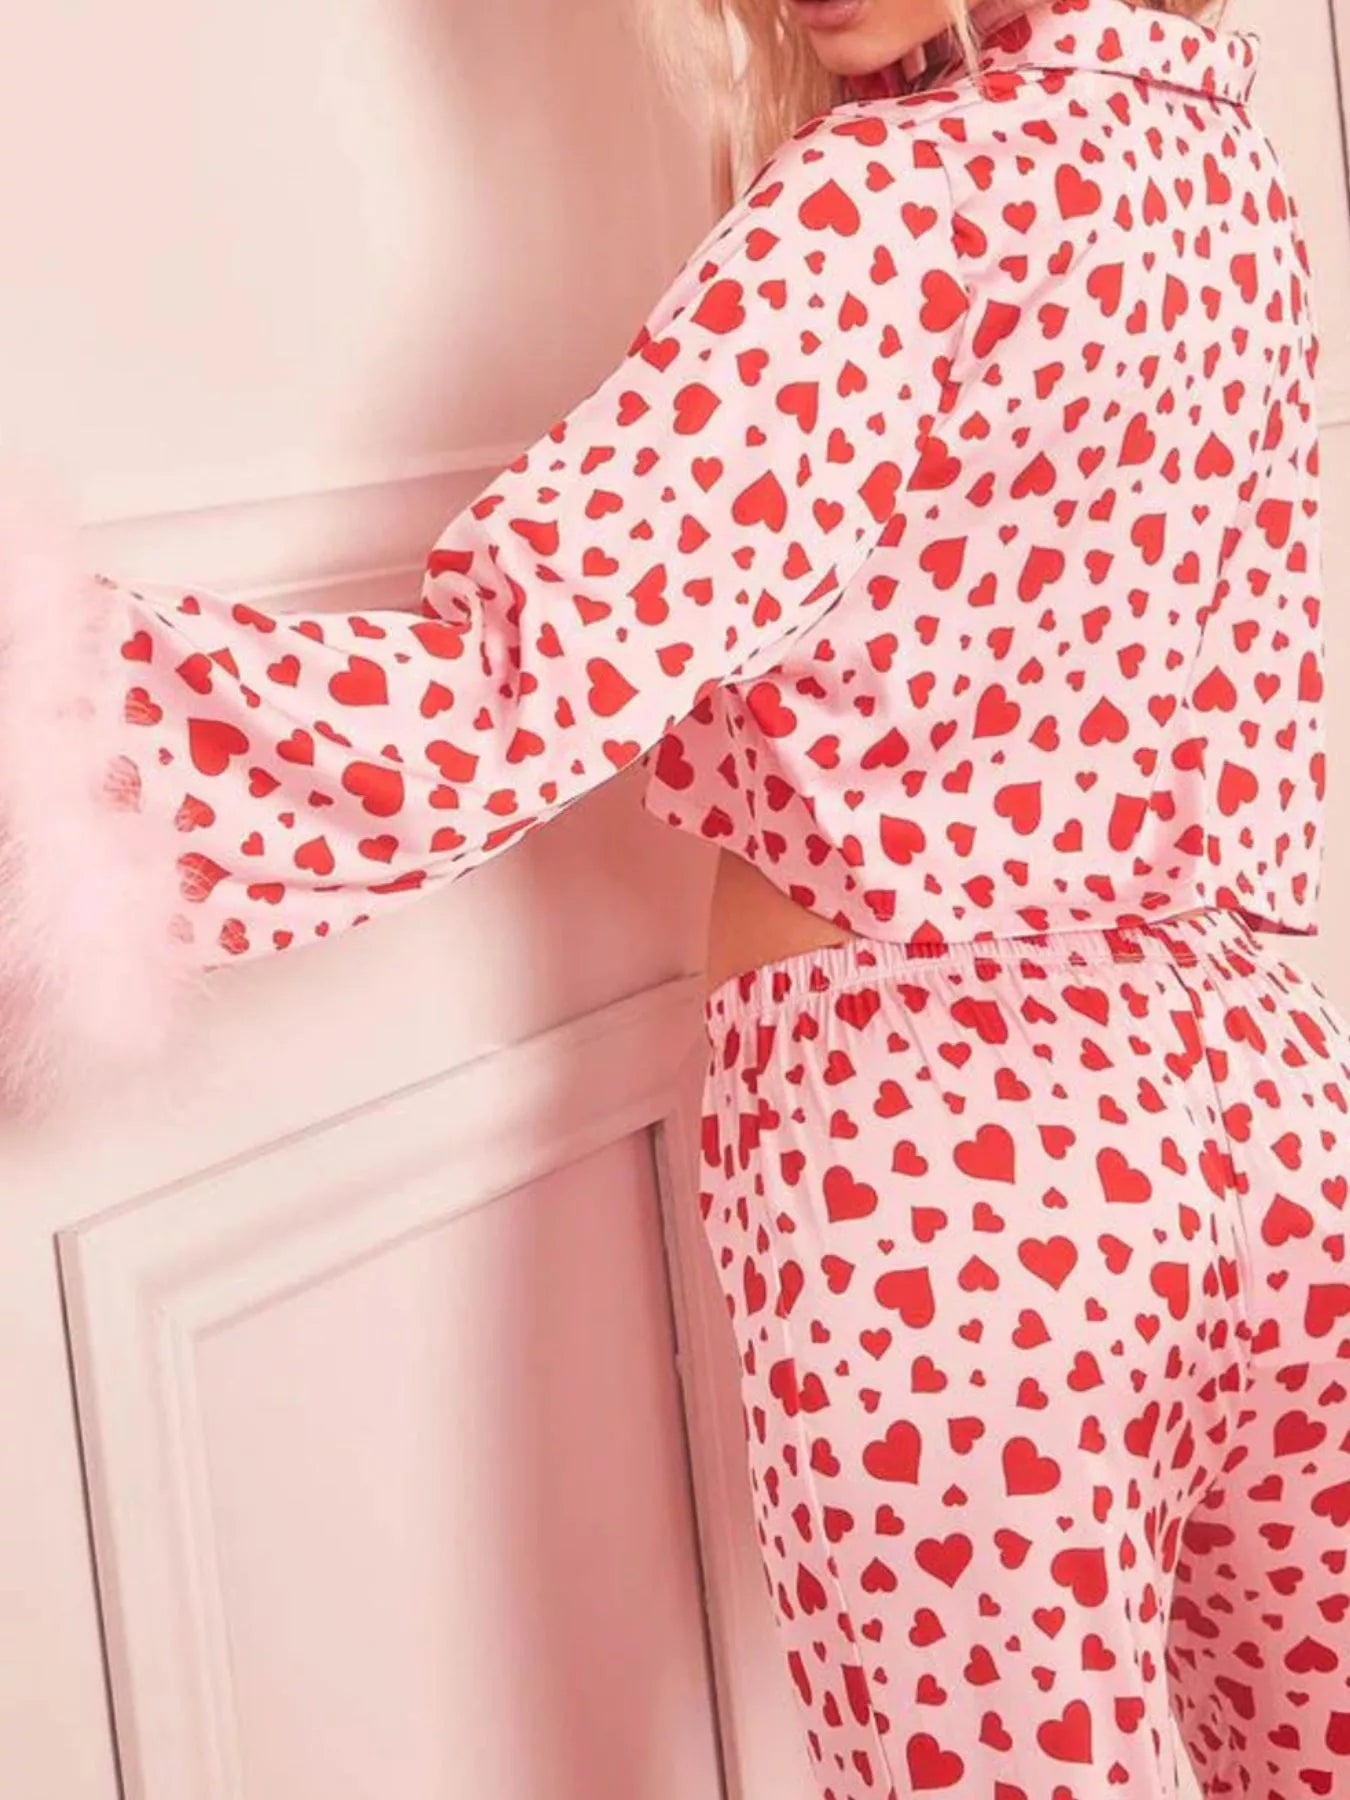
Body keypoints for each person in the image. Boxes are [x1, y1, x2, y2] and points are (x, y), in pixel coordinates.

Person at [0, 0, 1345, 1791]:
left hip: (956, 1164)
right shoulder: (1225, 172)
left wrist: (57, 720)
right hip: (1274, 1116)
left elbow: (507, 684)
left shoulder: (889, 210)